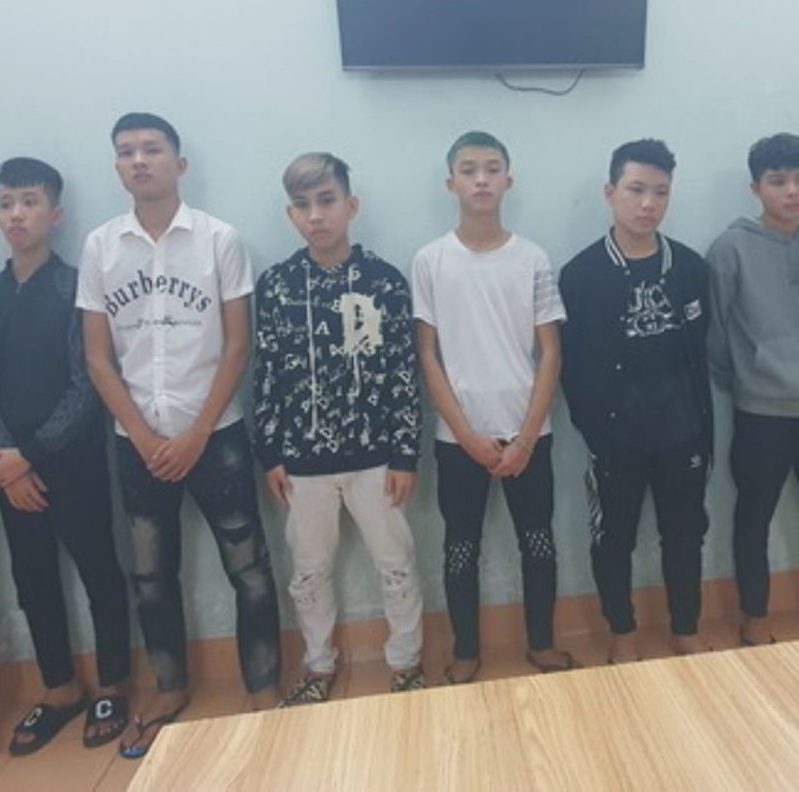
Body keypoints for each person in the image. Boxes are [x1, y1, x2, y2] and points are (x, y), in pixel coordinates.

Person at [77, 113, 281, 757]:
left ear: (179, 164)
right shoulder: (100, 247)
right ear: (117, 167)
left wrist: (196, 432)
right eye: (126, 152)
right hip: (136, 439)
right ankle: (170, 688)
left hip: (216, 435)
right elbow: (97, 358)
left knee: (248, 568)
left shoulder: (219, 240)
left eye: (152, 149)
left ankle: (264, 687)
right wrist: (140, 434)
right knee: (150, 574)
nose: (139, 160)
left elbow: (239, 344)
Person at [0, 157, 132, 753]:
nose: (18, 214)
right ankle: (59, 688)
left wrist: (33, 452)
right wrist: (6, 462)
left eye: (30, 202)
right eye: (7, 203)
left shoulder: (75, 287)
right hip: (10, 472)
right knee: (32, 578)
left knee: (99, 570)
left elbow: (88, 382)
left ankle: (113, 683)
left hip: (73, 460)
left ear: (54, 215)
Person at [252, 152, 427, 704]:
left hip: (376, 458)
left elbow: (403, 372)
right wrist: (270, 452)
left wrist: (405, 454)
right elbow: (266, 371)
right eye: (302, 205)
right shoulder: (277, 285)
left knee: (395, 564)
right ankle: (319, 664)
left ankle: (406, 662)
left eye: (326, 200)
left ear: (351, 206)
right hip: (302, 464)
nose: (315, 215)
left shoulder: (383, 281)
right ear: (290, 215)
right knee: (308, 572)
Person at [412, 130, 575, 683]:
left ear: (509, 179)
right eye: (468, 170)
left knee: (539, 541)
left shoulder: (532, 258)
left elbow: (551, 352)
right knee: (461, 546)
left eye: (491, 168)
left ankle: (543, 643)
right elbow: (427, 354)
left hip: (530, 432)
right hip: (459, 439)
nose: (480, 179)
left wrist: (526, 437)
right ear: (451, 182)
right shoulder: (431, 260)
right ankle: (466, 651)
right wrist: (465, 433)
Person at [559, 138, 711, 664]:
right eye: (636, 190)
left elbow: (701, 352)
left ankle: (685, 626)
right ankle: (621, 630)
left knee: (685, 534)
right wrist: (595, 428)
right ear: (610, 193)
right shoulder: (580, 275)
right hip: (615, 437)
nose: (648, 204)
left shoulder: (690, 267)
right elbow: (570, 365)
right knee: (613, 537)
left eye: (661, 192)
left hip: (683, 430)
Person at [707, 133, 799, 646]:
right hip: (761, 409)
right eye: (777, 181)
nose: (792, 191)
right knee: (754, 515)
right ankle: (755, 614)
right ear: (756, 188)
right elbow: (717, 330)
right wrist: (743, 380)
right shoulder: (729, 249)